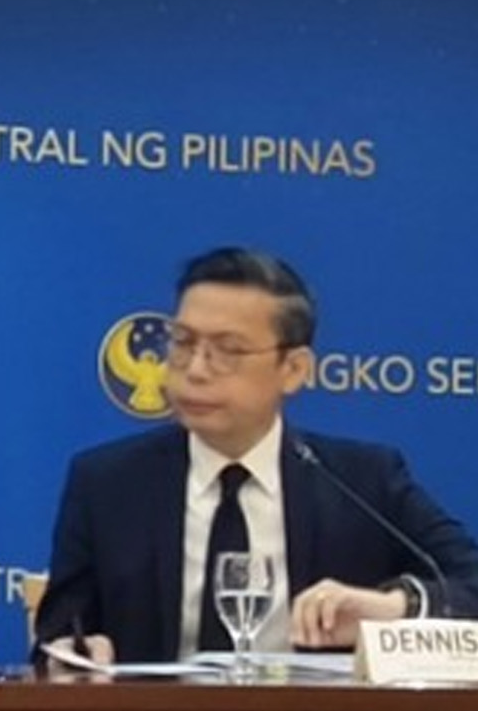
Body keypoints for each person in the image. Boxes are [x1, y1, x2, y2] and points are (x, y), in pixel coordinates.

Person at [35, 247, 478, 664]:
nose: (196, 369)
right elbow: (58, 639)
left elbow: (469, 584)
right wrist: (74, 653)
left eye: (228, 351)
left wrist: (392, 608)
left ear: (294, 369)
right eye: (183, 342)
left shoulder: (364, 481)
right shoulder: (108, 484)